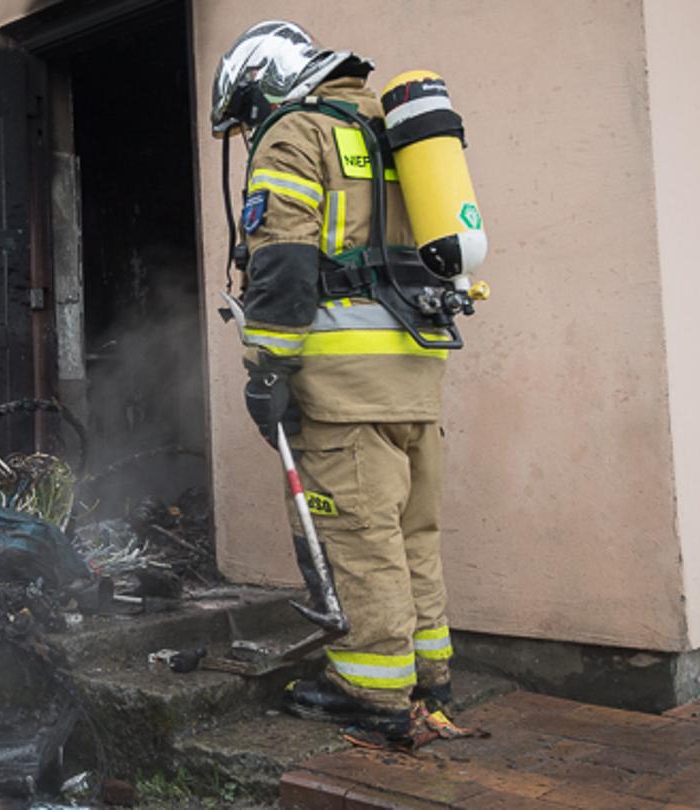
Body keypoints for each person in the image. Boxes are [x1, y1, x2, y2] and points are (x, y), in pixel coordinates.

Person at [210, 21, 466, 739]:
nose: (251, 131)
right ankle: (429, 674)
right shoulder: (386, 129)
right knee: (414, 531)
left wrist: (268, 369)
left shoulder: (297, 133)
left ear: (263, 86)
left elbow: (283, 265)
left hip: (345, 383)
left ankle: (370, 687)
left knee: (357, 536)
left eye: (247, 115)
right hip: (416, 368)